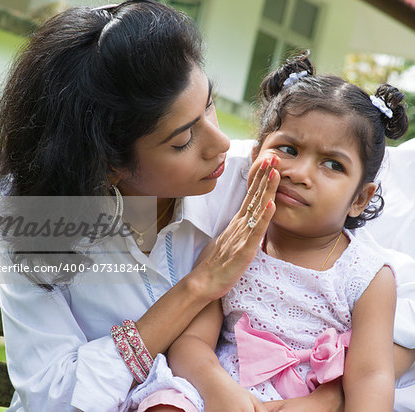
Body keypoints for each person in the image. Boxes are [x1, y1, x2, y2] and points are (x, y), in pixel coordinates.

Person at [0, 3, 414, 411]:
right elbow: (51, 398)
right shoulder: (38, 218)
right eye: (183, 140)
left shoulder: (265, 179)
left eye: (208, 103)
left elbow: (398, 295)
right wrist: (198, 286)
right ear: (109, 165)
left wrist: (331, 397)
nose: (223, 143)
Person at [130, 54, 414, 411]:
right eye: (288, 149)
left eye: (332, 164)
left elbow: (371, 377)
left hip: (307, 400)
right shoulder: (235, 247)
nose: (299, 172)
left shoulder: (367, 277)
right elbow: (190, 344)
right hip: (218, 391)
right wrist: (223, 393)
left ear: (359, 198)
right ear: (255, 157)